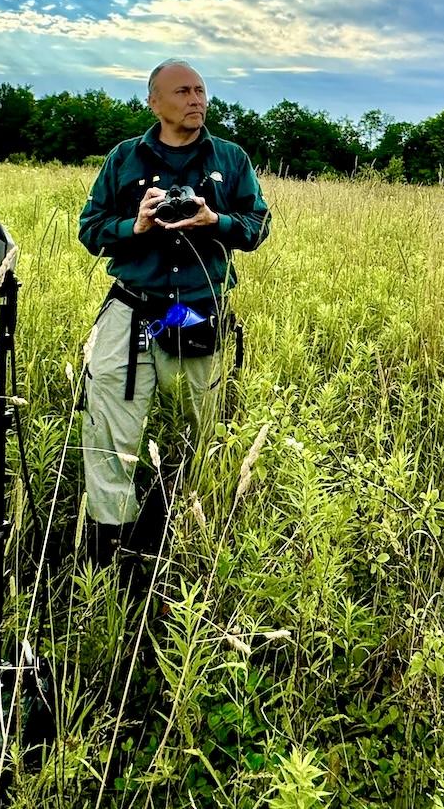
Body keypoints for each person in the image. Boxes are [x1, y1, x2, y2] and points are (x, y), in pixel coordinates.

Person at [77, 58, 271, 577]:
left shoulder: (228, 159)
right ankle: (111, 550)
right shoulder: (124, 158)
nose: (196, 99)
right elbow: (90, 228)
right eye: (182, 91)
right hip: (132, 304)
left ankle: (186, 530)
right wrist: (134, 226)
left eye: (201, 90)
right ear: (154, 102)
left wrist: (215, 220)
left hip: (194, 310)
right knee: (109, 431)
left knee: (197, 428)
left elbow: (256, 227)